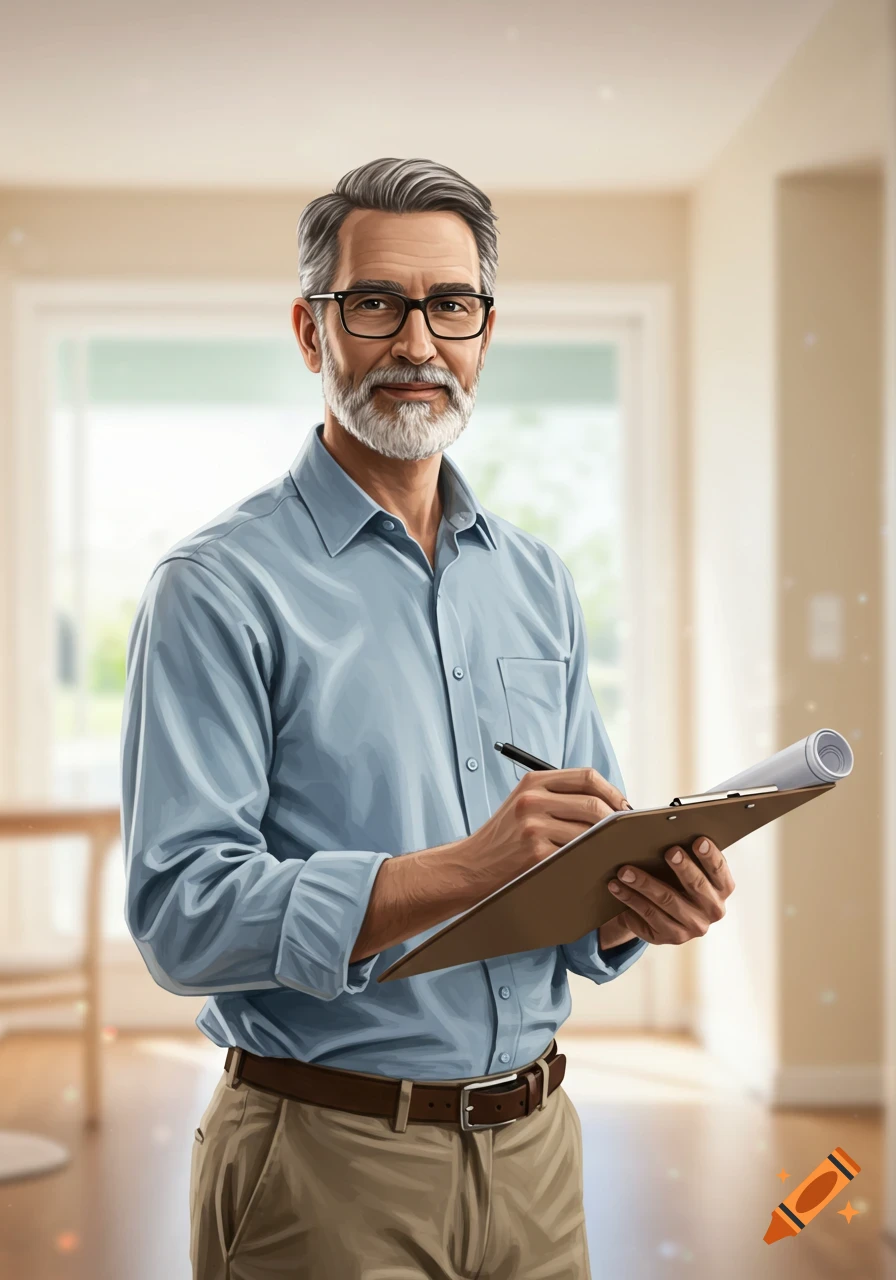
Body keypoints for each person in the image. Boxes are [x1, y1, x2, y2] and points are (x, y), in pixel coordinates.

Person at [120, 156, 735, 1280]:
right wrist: (460, 867)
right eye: (375, 304)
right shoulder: (214, 587)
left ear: (484, 332)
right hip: (325, 1166)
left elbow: (567, 863)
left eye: (449, 305)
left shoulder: (536, 578)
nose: (417, 343)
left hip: (539, 1157)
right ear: (313, 333)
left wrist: (634, 902)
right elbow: (181, 913)